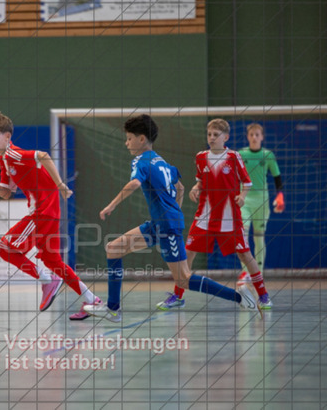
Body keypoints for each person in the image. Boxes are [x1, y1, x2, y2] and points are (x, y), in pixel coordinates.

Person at [80, 115, 261, 322]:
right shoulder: (161, 161)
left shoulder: (141, 160)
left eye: (129, 138)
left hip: (166, 226)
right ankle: (112, 309)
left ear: (142, 139)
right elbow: (180, 187)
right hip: (160, 223)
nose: (126, 143)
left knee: (183, 279)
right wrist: (174, 211)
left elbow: (135, 184)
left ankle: (240, 298)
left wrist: (111, 205)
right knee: (113, 249)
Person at [0, 112, 101, 315]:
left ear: (7, 136)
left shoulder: (12, 154)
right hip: (50, 212)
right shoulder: (6, 160)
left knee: (4, 248)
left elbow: (43, 156)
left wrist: (60, 184)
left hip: (42, 212)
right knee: (54, 262)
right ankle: (93, 300)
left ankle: (47, 280)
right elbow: (7, 193)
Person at [156, 118, 271, 311]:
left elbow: (247, 182)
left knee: (245, 255)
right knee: (186, 255)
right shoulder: (201, 157)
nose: (211, 138)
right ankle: (178, 296)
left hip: (229, 218)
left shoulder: (234, 157)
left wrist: (242, 196)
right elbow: (201, 181)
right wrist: (195, 188)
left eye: (216, 135)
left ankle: (263, 295)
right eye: (209, 134)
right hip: (204, 216)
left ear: (226, 137)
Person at [236, 123, 283, 303]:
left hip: (262, 201)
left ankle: (259, 274)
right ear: (247, 136)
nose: (254, 137)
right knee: (242, 234)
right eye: (251, 134)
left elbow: (277, 177)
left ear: (262, 137)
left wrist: (280, 196)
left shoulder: (268, 155)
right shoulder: (241, 154)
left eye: (257, 134)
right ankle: (246, 272)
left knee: (259, 237)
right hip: (245, 200)